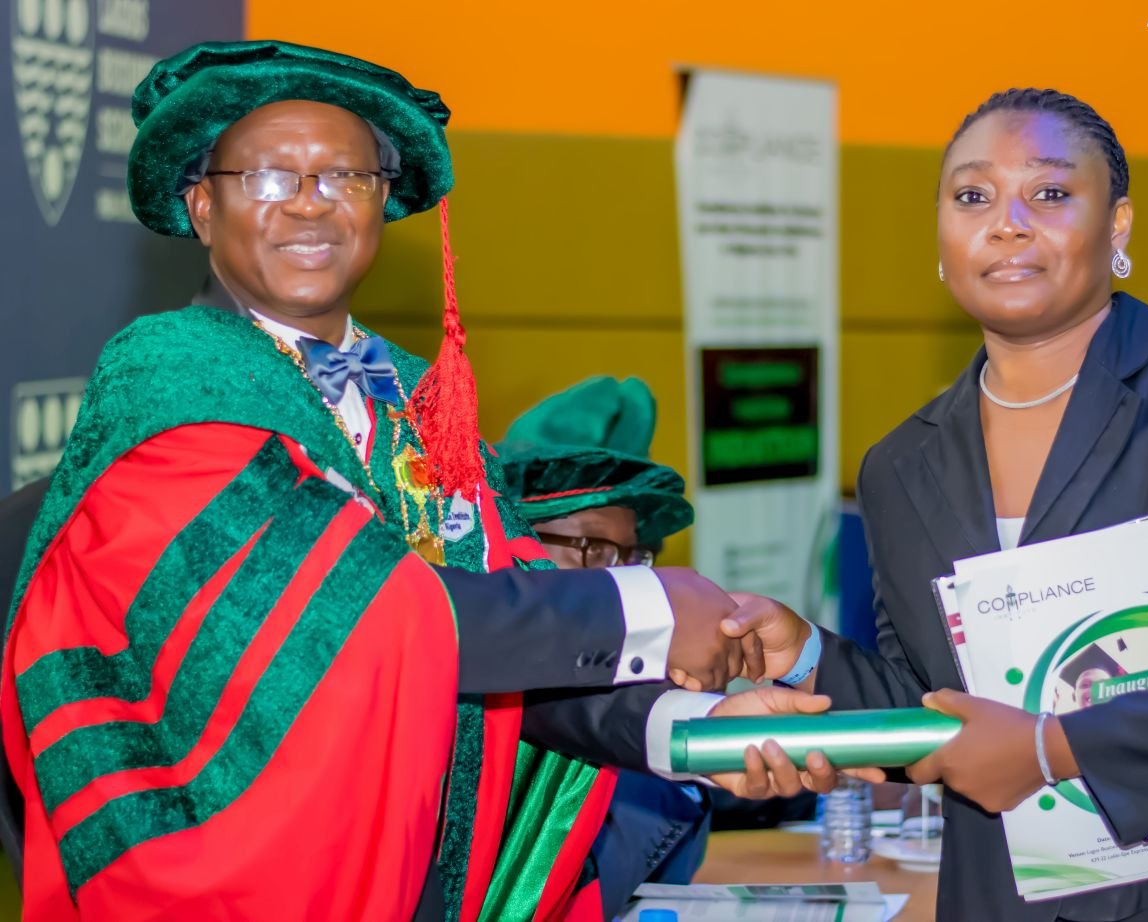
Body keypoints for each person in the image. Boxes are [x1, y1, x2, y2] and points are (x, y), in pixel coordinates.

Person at [1, 41, 836, 921]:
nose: (310, 203)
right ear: (202, 206)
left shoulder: (417, 401)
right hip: (232, 873)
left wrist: (689, 729)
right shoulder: (170, 381)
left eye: (346, 176)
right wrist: (649, 608)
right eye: (269, 176)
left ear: (383, 201)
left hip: (416, 872)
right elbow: (365, 616)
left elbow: (506, 624)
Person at [723, 88, 1148, 920]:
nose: (1006, 224)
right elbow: (935, 700)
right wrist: (805, 658)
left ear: (1116, 227)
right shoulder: (899, 465)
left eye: (1048, 193)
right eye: (972, 196)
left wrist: (1051, 748)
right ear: (940, 238)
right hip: (1015, 898)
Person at [495, 375, 710, 917]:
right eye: (593, 548)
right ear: (513, 545)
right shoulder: (477, 698)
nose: (623, 581)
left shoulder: (623, 669)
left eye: (633, 556)